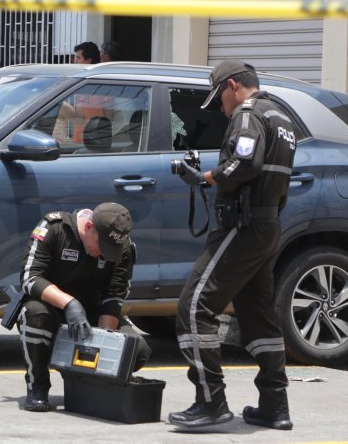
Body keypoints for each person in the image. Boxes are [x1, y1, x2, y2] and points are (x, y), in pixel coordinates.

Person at [167, 60, 297, 430]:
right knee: (259, 316)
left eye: (219, 98)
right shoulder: (282, 117)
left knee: (193, 305)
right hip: (267, 223)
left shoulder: (248, 113)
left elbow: (244, 163)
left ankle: (211, 403)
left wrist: (204, 177)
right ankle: (275, 406)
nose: (221, 108)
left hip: (243, 224)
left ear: (233, 85)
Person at [17, 202, 150, 412]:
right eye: (102, 247)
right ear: (89, 227)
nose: (105, 254)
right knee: (34, 314)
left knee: (137, 350)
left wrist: (103, 339)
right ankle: (38, 387)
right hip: (52, 310)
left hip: (92, 315)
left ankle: (89, 384)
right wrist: (69, 303)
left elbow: (114, 296)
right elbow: (29, 277)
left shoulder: (121, 245)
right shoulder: (55, 228)